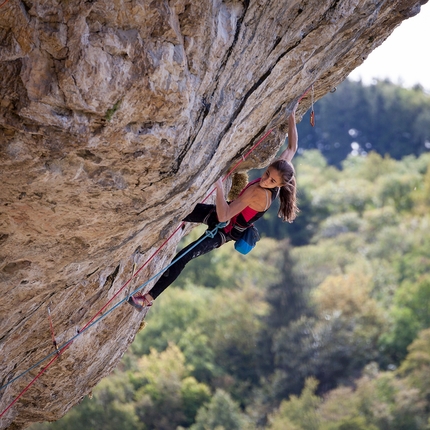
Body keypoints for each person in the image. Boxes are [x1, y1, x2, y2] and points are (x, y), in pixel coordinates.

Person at [128, 104, 299, 312]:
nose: (266, 180)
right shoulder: (280, 171)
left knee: (183, 256)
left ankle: (146, 299)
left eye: (272, 181)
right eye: (267, 174)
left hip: (223, 231)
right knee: (179, 210)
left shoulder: (258, 194)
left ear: (279, 186)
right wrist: (292, 115)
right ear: (271, 166)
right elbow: (291, 148)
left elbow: (225, 214)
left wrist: (219, 187)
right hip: (221, 217)